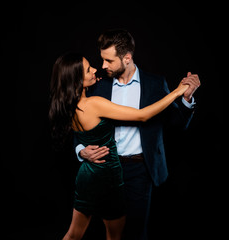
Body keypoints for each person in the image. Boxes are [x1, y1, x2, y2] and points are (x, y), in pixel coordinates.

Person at [74, 29, 201, 240]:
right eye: (102, 59)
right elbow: (81, 121)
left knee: (135, 232)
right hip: (104, 168)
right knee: (103, 232)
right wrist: (80, 150)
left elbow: (177, 124)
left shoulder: (155, 84)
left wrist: (186, 99)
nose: (103, 66)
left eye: (108, 60)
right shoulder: (98, 85)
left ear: (127, 58)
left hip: (140, 170)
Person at [48, 52, 189, 240]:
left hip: (87, 175)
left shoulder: (70, 105)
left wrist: (82, 151)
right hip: (109, 176)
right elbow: (143, 115)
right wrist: (177, 92)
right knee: (116, 236)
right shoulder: (94, 103)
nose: (96, 70)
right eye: (89, 69)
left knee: (73, 234)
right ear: (76, 79)